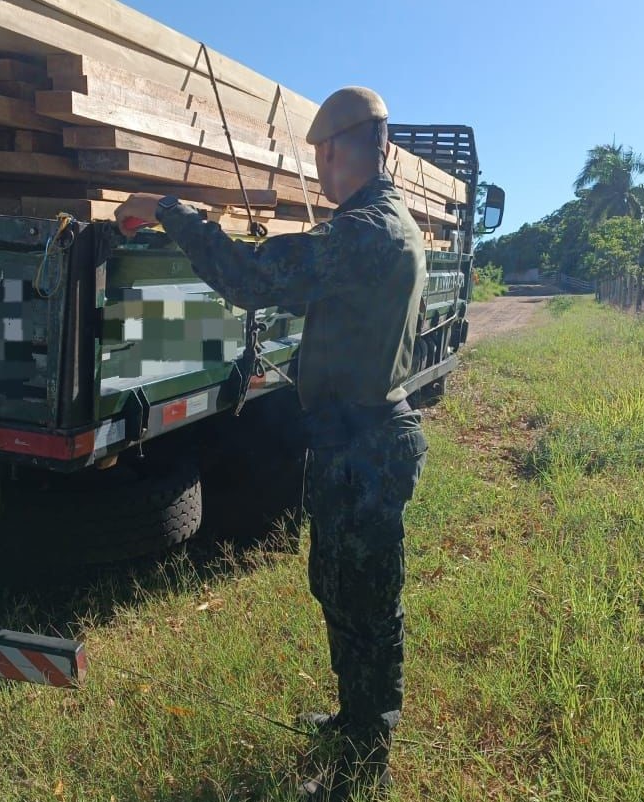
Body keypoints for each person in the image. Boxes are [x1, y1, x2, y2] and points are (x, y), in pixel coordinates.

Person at [115, 86, 429, 800]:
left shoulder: (367, 232)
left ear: (334, 151)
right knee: (342, 591)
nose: (317, 168)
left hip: (366, 446)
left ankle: (365, 765)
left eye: (319, 155)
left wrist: (170, 210)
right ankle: (355, 724)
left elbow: (251, 280)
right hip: (358, 440)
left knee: (368, 603)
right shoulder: (381, 224)